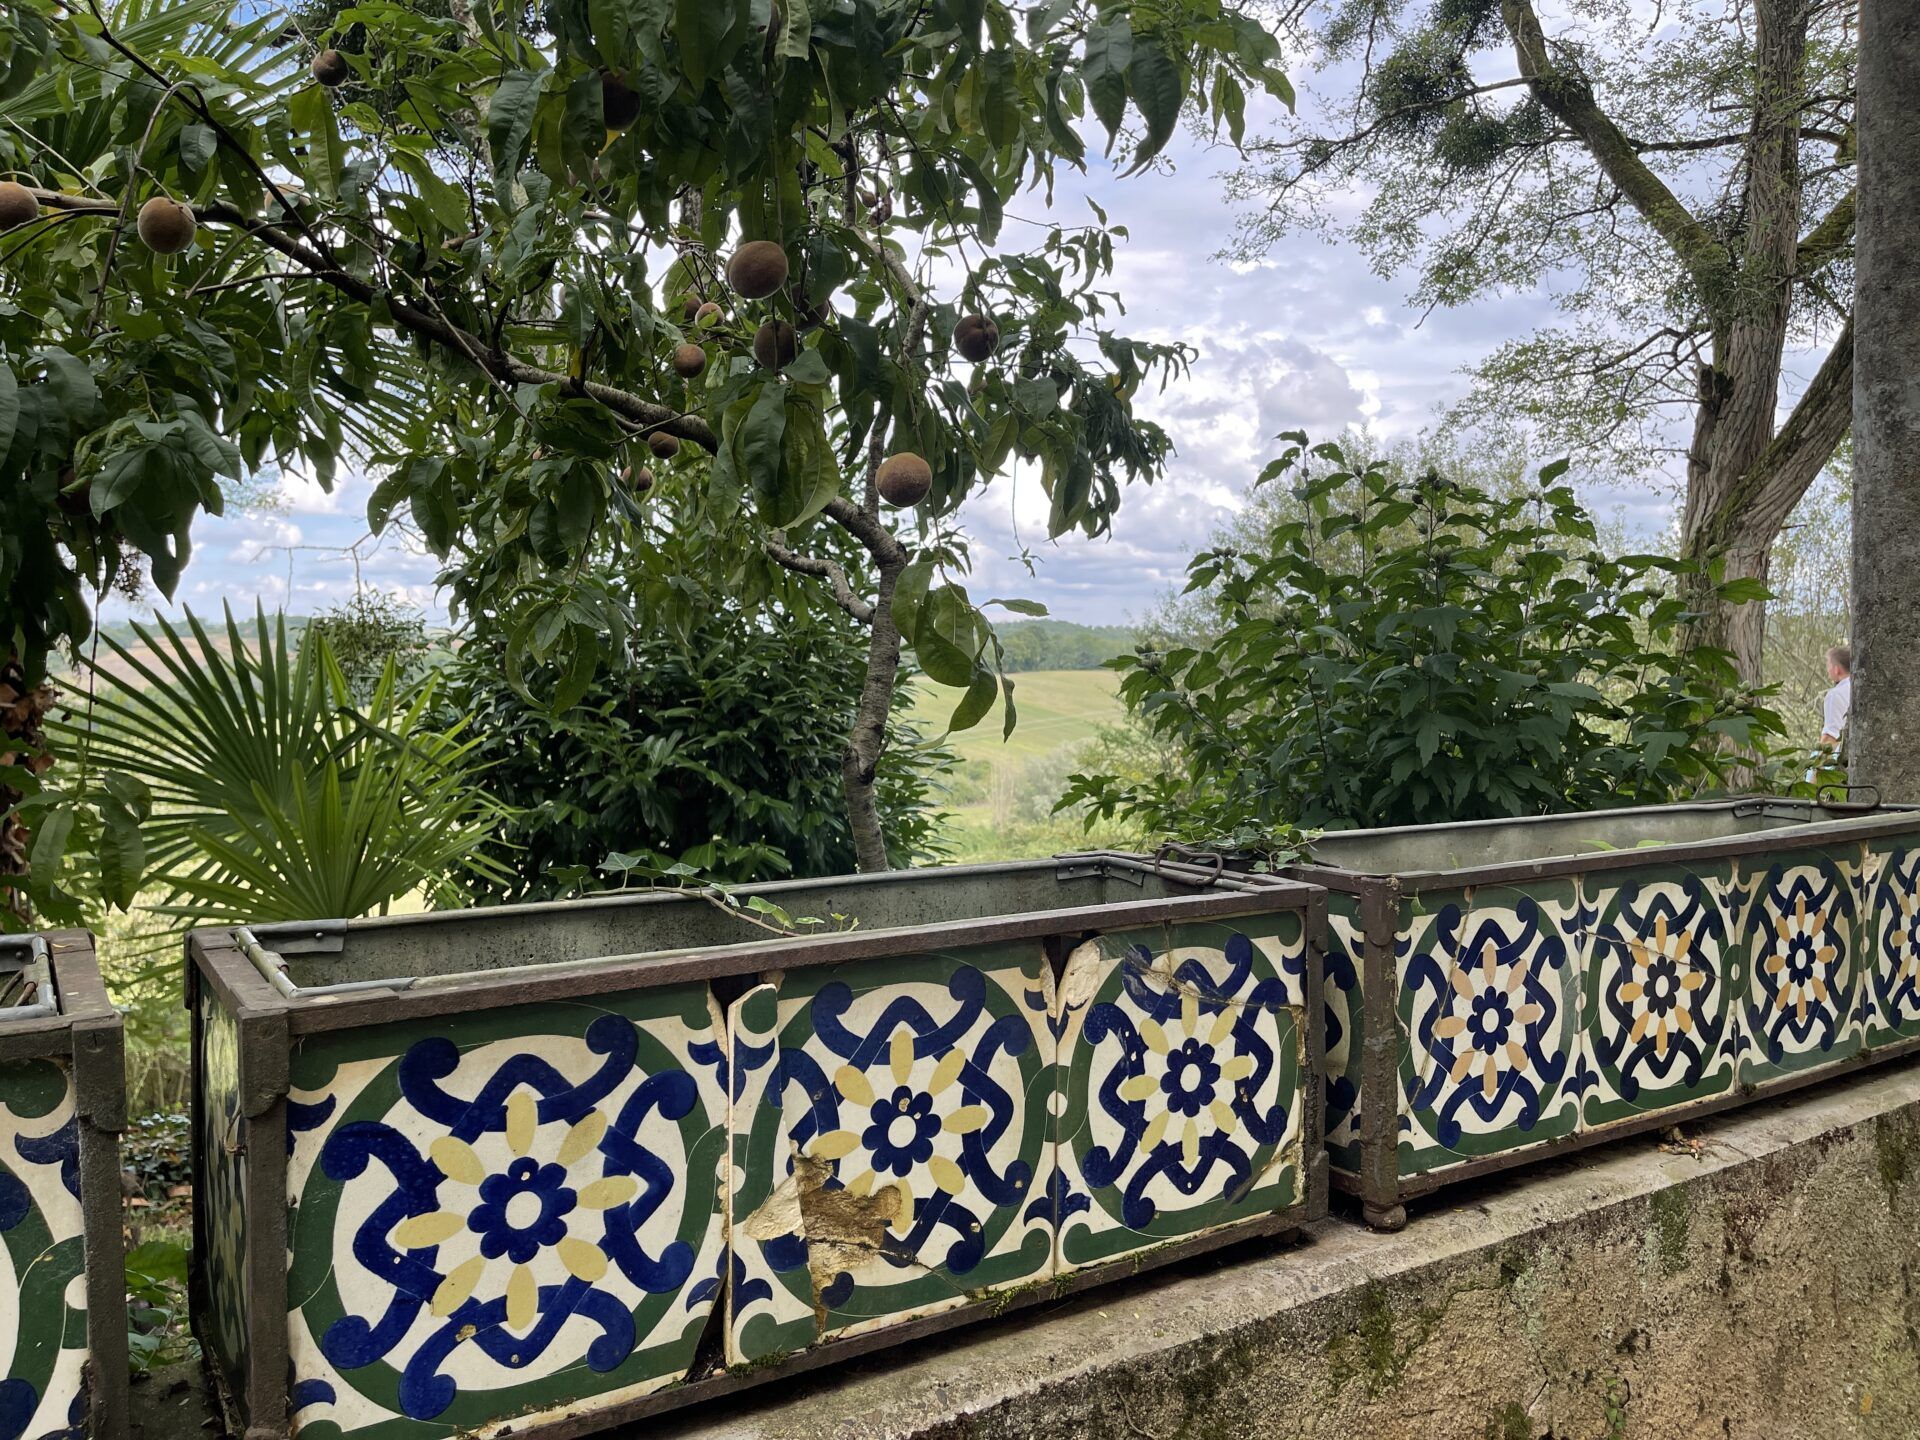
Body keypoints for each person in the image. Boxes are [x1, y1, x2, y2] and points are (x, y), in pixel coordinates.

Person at [1820, 644, 1852, 753]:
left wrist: (1814, 768)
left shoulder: (1835, 695)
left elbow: (1830, 736)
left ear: (1836, 669)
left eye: (1828, 665)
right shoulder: (1861, 688)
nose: (1827, 670)